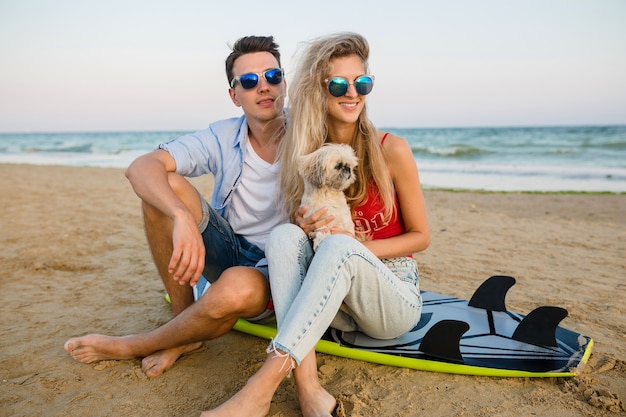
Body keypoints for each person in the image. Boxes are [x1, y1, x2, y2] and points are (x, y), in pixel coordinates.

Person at [200, 32, 430, 417]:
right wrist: (306, 227)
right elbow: (303, 238)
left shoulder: (392, 149)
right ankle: (309, 389)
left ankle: (262, 386)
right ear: (318, 90)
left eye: (363, 83)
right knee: (286, 235)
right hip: (333, 300)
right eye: (339, 84)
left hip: (391, 294)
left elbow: (421, 237)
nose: (352, 93)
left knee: (341, 246)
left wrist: (353, 244)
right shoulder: (308, 154)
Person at [63, 35, 287, 377]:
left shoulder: (310, 132)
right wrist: (181, 216)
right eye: (249, 81)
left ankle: (136, 344)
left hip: (274, 268)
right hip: (226, 249)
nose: (264, 88)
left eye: (272, 77)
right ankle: (183, 326)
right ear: (234, 95)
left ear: (284, 82)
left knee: (236, 288)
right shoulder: (223, 136)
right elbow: (141, 167)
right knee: (162, 186)